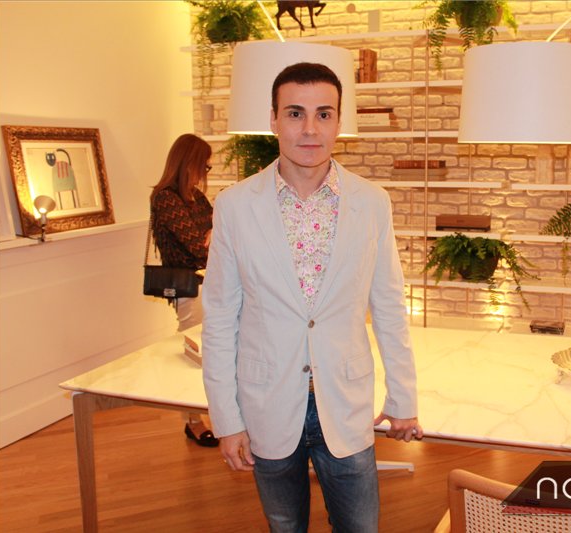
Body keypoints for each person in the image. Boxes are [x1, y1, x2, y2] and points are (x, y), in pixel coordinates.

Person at [202, 62, 422, 532]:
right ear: (273, 119)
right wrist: (226, 419)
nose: (309, 129)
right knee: (285, 527)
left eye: (324, 114)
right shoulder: (235, 206)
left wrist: (403, 396)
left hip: (346, 401)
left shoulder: (372, 202)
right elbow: (219, 318)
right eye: (295, 113)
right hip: (265, 403)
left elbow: (388, 306)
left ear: (339, 121)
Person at [151, 133, 218, 448]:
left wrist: (213, 234)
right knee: (195, 354)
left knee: (213, 351)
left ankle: (210, 414)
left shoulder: (196, 197)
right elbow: (197, 245)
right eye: (204, 165)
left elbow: (219, 230)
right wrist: (211, 235)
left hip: (209, 281)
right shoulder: (166, 198)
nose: (205, 172)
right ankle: (193, 421)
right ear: (189, 162)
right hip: (189, 285)